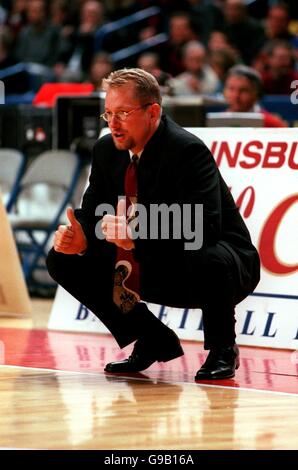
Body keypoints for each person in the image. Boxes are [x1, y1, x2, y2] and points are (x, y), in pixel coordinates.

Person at [47, 68, 260, 381]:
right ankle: (151, 337)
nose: (113, 124)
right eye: (108, 114)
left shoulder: (187, 149)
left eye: (122, 113)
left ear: (153, 112)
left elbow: (203, 225)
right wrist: (81, 239)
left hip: (218, 266)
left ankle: (223, 348)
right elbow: (93, 214)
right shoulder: (106, 150)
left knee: (208, 254)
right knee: (61, 259)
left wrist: (136, 232)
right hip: (149, 262)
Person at [223, 64, 288, 127]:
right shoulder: (217, 122)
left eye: (243, 90)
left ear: (256, 93)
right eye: (231, 89)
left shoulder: (273, 125)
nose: (236, 96)